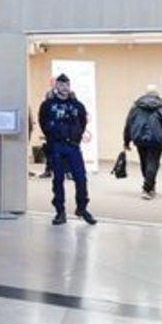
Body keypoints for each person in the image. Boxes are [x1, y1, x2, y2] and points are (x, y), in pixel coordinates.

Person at [39, 74, 95, 225]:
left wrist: (76, 137)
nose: (64, 87)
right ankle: (60, 212)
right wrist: (52, 137)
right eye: (61, 84)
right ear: (56, 86)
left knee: (81, 178)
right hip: (56, 146)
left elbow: (82, 122)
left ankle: (82, 208)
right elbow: (43, 123)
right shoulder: (48, 105)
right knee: (58, 179)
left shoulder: (77, 105)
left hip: (73, 146)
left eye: (67, 85)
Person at [123, 86, 162, 200]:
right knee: (153, 163)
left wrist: (126, 141)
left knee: (144, 163)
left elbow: (128, 124)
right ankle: (147, 188)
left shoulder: (136, 107)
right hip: (158, 139)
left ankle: (149, 186)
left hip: (140, 138)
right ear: (157, 96)